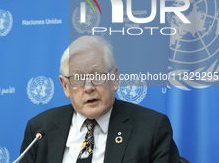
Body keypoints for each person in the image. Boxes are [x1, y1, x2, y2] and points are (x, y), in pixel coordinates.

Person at [20, 36, 180, 163]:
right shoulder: (40, 130)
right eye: (78, 78)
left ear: (115, 78)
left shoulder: (151, 129)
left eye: (97, 75)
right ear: (65, 86)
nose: (89, 87)